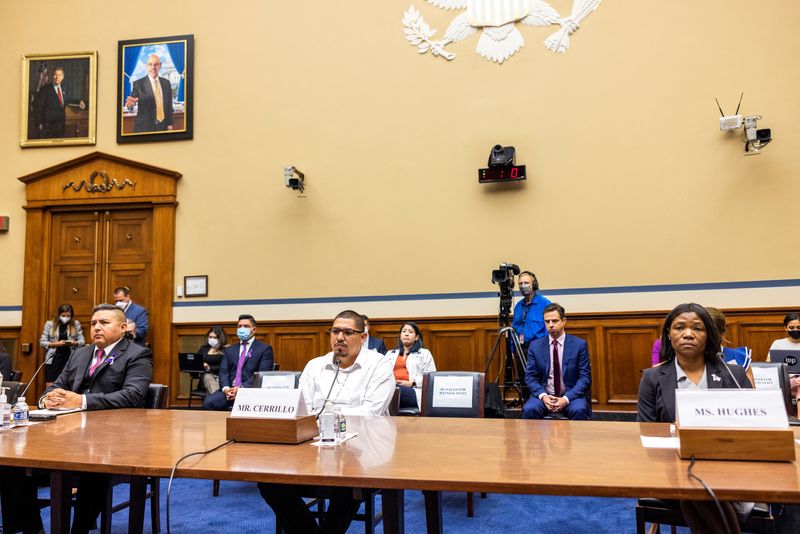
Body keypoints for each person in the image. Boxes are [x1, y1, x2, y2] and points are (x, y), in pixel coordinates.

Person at [0, 303, 152, 534]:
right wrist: (48, 400)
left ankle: (78, 530)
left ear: (122, 328)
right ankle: (33, 529)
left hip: (110, 441)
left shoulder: (137, 354)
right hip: (64, 437)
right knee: (10, 464)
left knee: (93, 470)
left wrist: (81, 401)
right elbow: (54, 388)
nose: (96, 328)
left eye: (104, 322)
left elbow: (134, 395)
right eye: (93, 324)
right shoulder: (80, 354)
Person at [259, 310, 394, 534]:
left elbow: (370, 413)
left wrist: (328, 415)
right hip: (314, 448)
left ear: (362, 337)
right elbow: (303, 409)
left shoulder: (379, 366)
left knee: (347, 483)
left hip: (362, 450)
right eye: (335, 331)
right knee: (268, 480)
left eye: (348, 332)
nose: (340, 337)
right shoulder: (315, 366)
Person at [637, 303, 751, 533]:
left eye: (697, 328)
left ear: (709, 335)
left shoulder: (733, 373)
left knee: (696, 485)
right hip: (670, 467)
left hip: (727, 464)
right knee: (696, 483)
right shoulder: (652, 378)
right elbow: (647, 434)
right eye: (679, 327)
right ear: (669, 334)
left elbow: (751, 427)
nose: (688, 334)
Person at [522, 303, 592, 420]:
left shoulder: (579, 345)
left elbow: (584, 379)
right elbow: (530, 377)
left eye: (555, 321)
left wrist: (565, 399)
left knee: (579, 410)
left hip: (571, 396)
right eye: (547, 322)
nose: (550, 325)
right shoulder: (535, 346)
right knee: (529, 409)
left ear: (564, 321)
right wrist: (544, 396)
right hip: (544, 395)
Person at [202, 314, 273, 410]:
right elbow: (224, 371)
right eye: (239, 326)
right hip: (229, 390)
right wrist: (226, 389)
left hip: (250, 391)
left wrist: (241, 389)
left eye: (246, 326)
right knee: (208, 403)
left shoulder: (264, 349)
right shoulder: (230, 350)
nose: (242, 329)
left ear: (254, 330)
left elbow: (263, 374)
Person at [384, 321, 436, 409]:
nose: (406, 334)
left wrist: (412, 383)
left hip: (412, 391)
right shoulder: (390, 354)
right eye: (404, 331)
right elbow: (381, 373)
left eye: (410, 332)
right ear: (400, 336)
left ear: (416, 337)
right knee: (388, 389)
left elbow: (431, 377)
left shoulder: (424, 353)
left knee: (391, 390)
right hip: (391, 388)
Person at [705, 307, 755, 387]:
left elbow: (750, 395)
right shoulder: (689, 359)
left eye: (711, 332)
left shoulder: (739, 357)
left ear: (722, 333)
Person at [39, 303, 86, 387]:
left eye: (68, 316)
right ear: (59, 315)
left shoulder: (75, 324)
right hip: (54, 358)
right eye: (63, 315)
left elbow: (82, 341)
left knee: (69, 384)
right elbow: (42, 342)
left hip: (70, 357)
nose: (66, 318)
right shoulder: (50, 324)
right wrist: (57, 344)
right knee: (50, 384)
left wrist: (73, 343)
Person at [125, 53, 173, 133]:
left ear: (160, 66)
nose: (153, 67)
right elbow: (132, 103)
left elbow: (169, 106)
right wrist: (130, 104)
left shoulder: (166, 83)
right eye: (150, 64)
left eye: (156, 64)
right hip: (144, 128)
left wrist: (170, 124)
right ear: (146, 66)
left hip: (163, 127)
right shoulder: (138, 84)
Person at [34, 66, 86, 139]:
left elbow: (67, 100)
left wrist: (79, 101)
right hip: (47, 126)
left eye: (59, 75)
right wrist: (39, 124)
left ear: (63, 77)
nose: (57, 77)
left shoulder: (64, 88)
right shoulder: (45, 89)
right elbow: (38, 107)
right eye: (55, 75)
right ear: (52, 76)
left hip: (61, 125)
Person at [512, 271, 552, 355]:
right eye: (520, 283)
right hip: (520, 349)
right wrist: (512, 350)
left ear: (534, 284)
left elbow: (549, 329)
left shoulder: (545, 304)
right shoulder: (518, 306)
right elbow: (514, 329)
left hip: (539, 349)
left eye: (526, 283)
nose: (523, 286)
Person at [766, 312, 800, 412]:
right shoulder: (778, 344)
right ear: (785, 328)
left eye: (798, 327)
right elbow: (768, 364)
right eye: (791, 327)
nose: (795, 330)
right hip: (784, 381)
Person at [197, 325, 228, 394]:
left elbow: (225, 366)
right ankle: (217, 397)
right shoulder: (204, 348)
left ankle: (216, 398)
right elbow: (196, 361)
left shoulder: (225, 350)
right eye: (210, 337)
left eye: (215, 337)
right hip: (205, 378)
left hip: (221, 377)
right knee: (208, 377)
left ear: (220, 338)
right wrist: (202, 365)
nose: (212, 339)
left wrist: (210, 368)